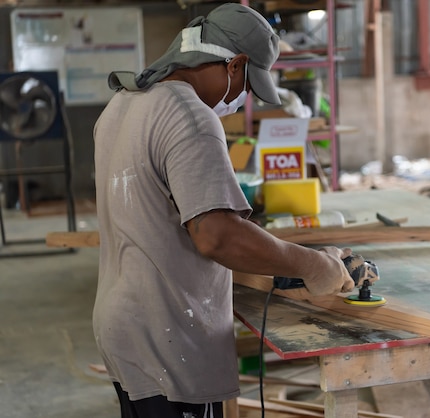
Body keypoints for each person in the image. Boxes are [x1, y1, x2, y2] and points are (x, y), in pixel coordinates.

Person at [92, 4, 355, 418]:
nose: (243, 98)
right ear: (235, 65)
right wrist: (313, 265)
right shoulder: (189, 116)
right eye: (247, 85)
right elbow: (217, 235)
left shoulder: (124, 104)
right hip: (169, 334)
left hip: (124, 323)